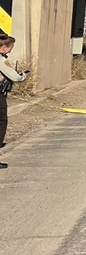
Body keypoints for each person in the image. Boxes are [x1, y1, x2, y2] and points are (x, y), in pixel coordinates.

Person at [0, 33, 27, 169]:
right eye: (10, 47)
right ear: (4, 47)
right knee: (2, 122)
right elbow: (14, 77)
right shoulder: (1, 60)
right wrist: (22, 76)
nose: (11, 50)